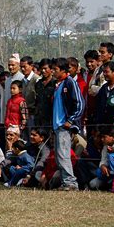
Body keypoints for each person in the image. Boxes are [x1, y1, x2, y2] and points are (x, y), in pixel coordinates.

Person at [51, 57, 85, 191]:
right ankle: (66, 182)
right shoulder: (58, 85)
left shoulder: (70, 83)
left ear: (64, 71)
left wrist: (70, 120)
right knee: (59, 155)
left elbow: (80, 104)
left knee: (64, 154)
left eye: (56, 70)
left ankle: (71, 183)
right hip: (57, 125)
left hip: (64, 126)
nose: (53, 72)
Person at [20, 56, 40, 134]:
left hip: (33, 114)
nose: (22, 69)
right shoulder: (22, 81)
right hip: (24, 115)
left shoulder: (36, 80)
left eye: (25, 67)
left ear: (31, 66)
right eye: (21, 67)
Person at [34, 58, 56, 129]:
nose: (43, 71)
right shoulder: (38, 84)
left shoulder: (55, 83)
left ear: (51, 69)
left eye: (45, 68)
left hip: (51, 118)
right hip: (39, 119)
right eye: (41, 69)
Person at [2, 53, 24, 121]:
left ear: (18, 65)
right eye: (9, 65)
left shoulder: (22, 78)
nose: (11, 67)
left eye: (13, 65)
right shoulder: (7, 80)